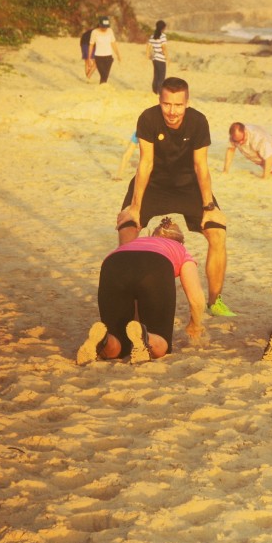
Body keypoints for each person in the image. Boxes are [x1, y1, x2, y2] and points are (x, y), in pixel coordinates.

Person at [117, 77, 235, 317]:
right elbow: (145, 163)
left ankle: (214, 301)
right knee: (127, 229)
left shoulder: (198, 121)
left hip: (187, 185)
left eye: (178, 105)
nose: (172, 111)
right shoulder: (148, 118)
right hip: (153, 184)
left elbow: (201, 167)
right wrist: (136, 207)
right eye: (167, 104)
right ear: (160, 101)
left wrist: (209, 206)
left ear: (187, 103)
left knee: (218, 232)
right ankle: (131, 302)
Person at [77, 218, 205, 364]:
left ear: (152, 236)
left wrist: (135, 325)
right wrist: (195, 324)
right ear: (181, 241)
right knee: (161, 341)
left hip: (113, 263)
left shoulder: (135, 243)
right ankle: (146, 337)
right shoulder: (180, 249)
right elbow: (196, 298)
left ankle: (103, 340)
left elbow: (136, 290)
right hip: (156, 263)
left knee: (118, 342)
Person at [80, 17, 121, 84]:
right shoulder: (94, 32)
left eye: (106, 27)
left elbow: (113, 43)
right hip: (92, 50)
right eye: (103, 27)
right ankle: (89, 77)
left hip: (108, 56)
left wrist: (118, 55)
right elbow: (91, 45)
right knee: (101, 72)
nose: (105, 28)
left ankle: (100, 87)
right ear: (99, 25)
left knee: (104, 76)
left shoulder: (109, 31)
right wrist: (89, 57)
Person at [146, 20, 169, 94]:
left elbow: (148, 46)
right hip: (161, 59)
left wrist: (148, 55)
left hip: (154, 58)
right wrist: (168, 58)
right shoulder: (163, 36)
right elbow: (164, 48)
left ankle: (154, 92)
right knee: (161, 77)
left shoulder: (152, 36)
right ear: (163, 28)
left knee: (156, 76)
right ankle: (159, 93)